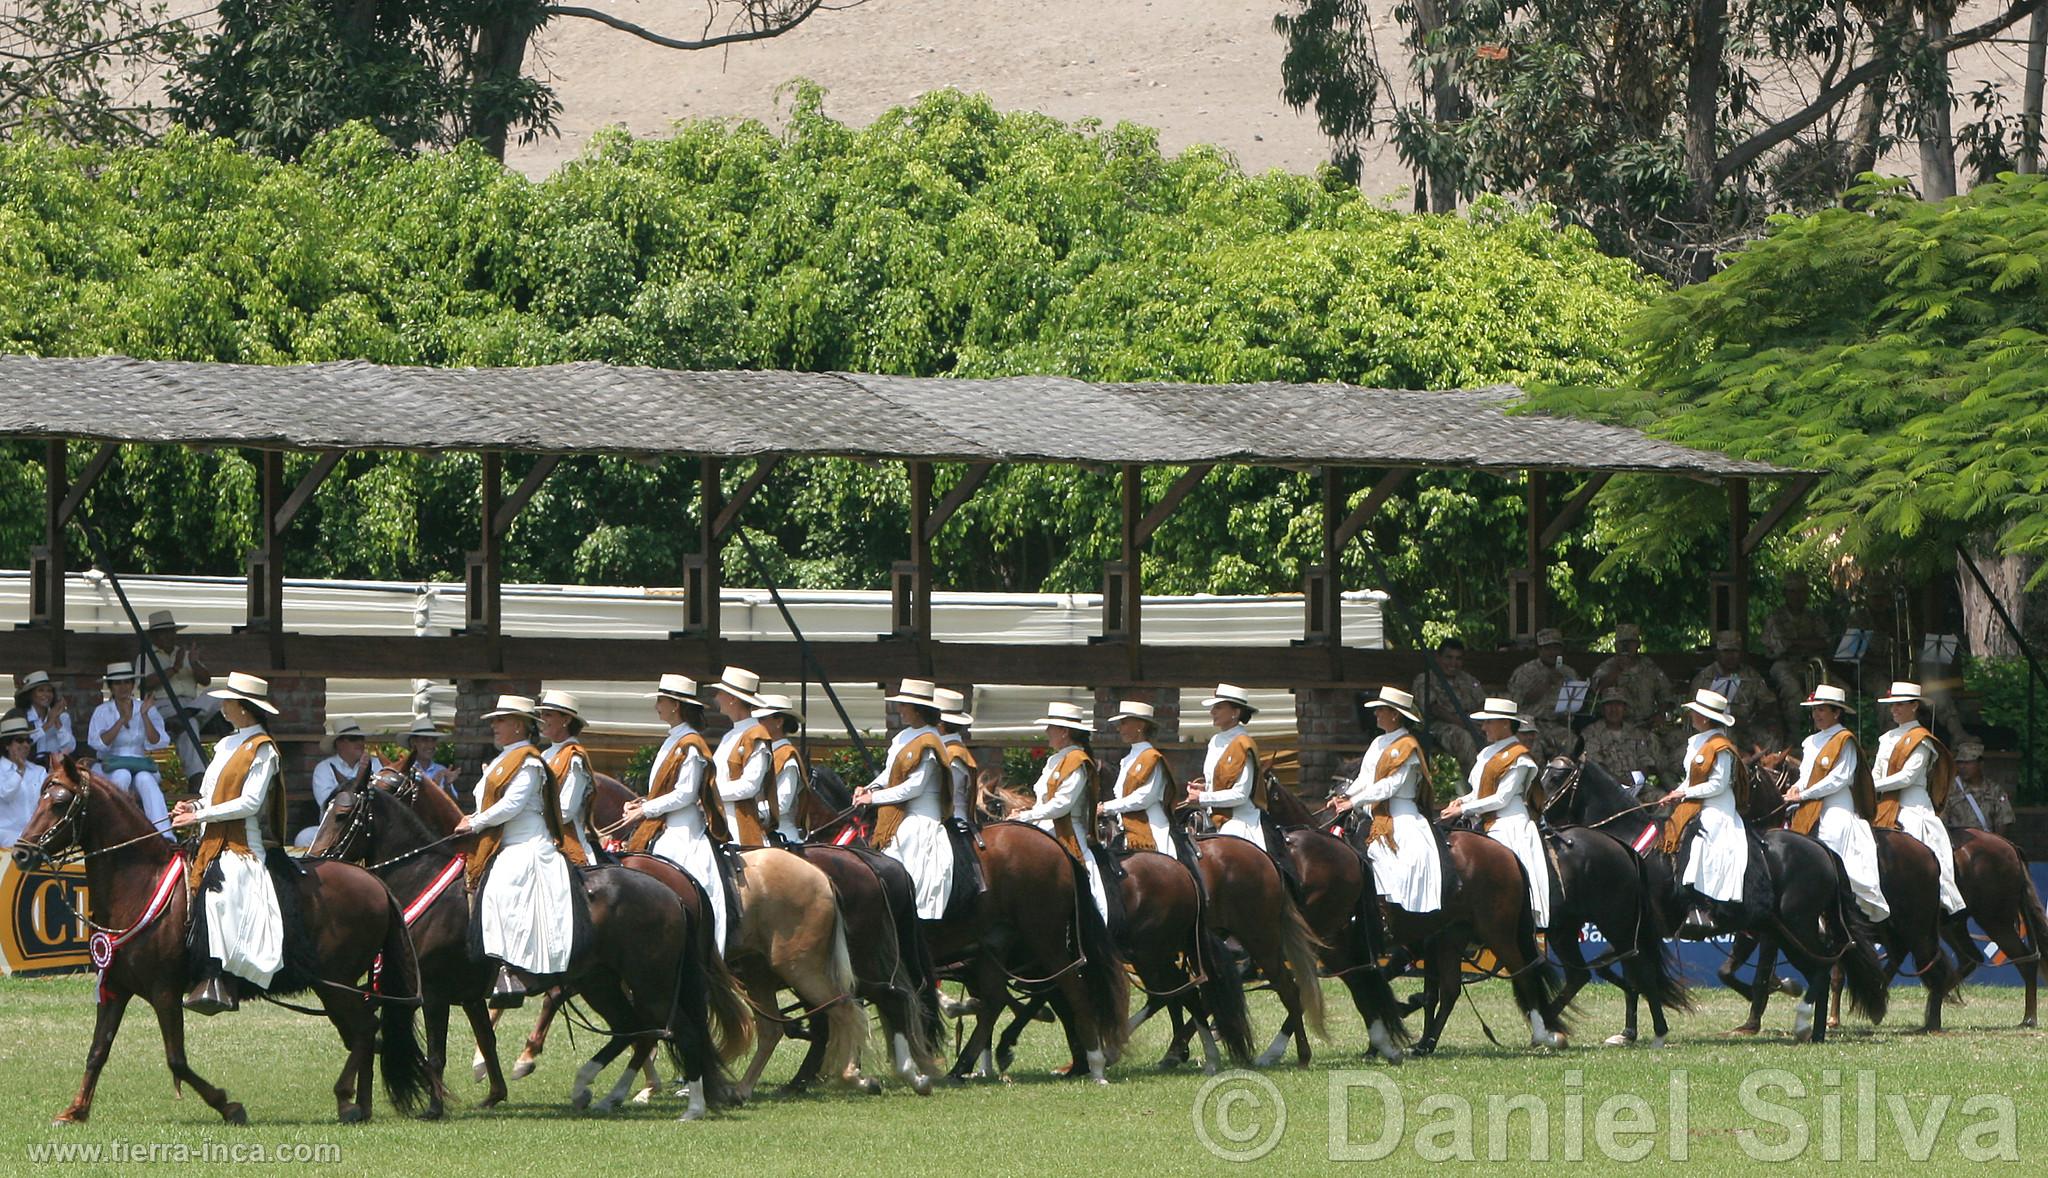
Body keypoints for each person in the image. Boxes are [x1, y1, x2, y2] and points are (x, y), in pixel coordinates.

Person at [169, 672, 284, 1015]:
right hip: (210, 838)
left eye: (228, 701)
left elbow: (250, 803)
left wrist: (200, 817)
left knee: (220, 895)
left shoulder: (263, 750)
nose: (222, 706)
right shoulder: (225, 745)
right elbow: (209, 797)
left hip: (241, 845)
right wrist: (193, 807)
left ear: (244, 708)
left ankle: (216, 977)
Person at [452, 695, 576, 1008]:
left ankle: (513, 969)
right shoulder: (503, 759)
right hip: (501, 840)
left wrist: (475, 823)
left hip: (527, 842)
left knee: (501, 886)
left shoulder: (530, 761)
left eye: (500, 720)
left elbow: (512, 805)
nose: (494, 726)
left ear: (519, 725)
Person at [621, 675, 728, 949]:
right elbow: (667, 790)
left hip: (683, 828)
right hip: (665, 821)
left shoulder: (691, 743)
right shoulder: (674, 740)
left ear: (675, 706)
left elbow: (686, 794)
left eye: (661, 700)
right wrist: (642, 802)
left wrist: (645, 809)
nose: (657, 705)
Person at [1441, 696, 1549, 926]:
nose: (1484, 728)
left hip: (1510, 823)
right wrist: (1460, 802)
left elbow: (1501, 798)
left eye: (1489, 722)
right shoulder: (1486, 753)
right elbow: (1478, 792)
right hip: (1484, 818)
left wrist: (1464, 810)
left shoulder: (1519, 757)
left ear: (1505, 724)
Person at [1784, 684, 1888, 922]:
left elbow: (1840, 778)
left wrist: (1805, 794)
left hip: (1837, 807)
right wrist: (1797, 787)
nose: (1817, 715)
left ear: (1836, 712)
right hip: (1809, 807)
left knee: (1833, 837)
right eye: (1814, 710)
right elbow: (1806, 774)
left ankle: (1844, 905)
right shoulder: (1811, 741)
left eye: (1822, 710)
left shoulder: (1845, 740)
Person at [1333, 686, 1441, 914]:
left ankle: (1393, 910)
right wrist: (1345, 796)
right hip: (1374, 810)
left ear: (1395, 714)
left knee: (1399, 858)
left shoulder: (1408, 746)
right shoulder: (1378, 743)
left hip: (1401, 813)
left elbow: (1390, 785)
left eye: (1381, 709)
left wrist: (1354, 802)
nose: (1375, 714)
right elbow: (1365, 778)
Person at [854, 680, 954, 920]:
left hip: (920, 816)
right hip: (897, 811)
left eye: (904, 706)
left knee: (906, 845)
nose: (900, 710)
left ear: (917, 709)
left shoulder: (930, 740)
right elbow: (889, 773)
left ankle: (913, 913)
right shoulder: (903, 737)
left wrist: (874, 798)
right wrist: (867, 788)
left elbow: (914, 787)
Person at [1658, 689, 1751, 937]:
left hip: (1717, 806)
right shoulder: (1696, 742)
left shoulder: (1722, 746)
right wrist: (1675, 792)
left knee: (1703, 835)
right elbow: (1689, 780)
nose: (1691, 715)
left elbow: (1718, 785)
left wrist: (1684, 794)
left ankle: (1702, 904)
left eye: (1695, 712)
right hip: (1695, 802)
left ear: (1705, 718)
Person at [1871, 682, 1965, 915]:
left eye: (1900, 705)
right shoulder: (1886, 738)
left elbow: (1908, 777)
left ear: (1914, 706)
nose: (1894, 710)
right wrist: (1868, 786)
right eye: (1892, 705)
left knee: (1919, 837)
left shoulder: (1922, 739)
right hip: (1884, 804)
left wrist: (1871, 786)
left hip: (1913, 803)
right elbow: (1876, 771)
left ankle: (1942, 894)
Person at [1015, 701, 1109, 921]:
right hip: (1045, 825)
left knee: (1089, 885)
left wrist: (1026, 816)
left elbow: (1062, 805)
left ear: (1064, 732)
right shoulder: (1056, 759)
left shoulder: (1077, 760)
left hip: (1068, 830)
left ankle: (1098, 924)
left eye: (1051, 727)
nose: (1047, 732)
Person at [88, 661, 170, 837]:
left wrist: (145, 716)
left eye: (127, 682)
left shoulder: (144, 707)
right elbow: (98, 743)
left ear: (133, 684)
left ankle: (164, 834)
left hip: (139, 765)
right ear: (111, 687)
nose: (123, 687)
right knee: (122, 775)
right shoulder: (102, 711)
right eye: (118, 683)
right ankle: (112, 830)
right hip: (110, 766)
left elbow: (157, 741)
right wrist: (121, 720)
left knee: (146, 779)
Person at [138, 609, 214, 779]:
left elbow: (205, 681)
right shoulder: (147, 657)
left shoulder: (187, 654)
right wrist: (174, 668)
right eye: (164, 634)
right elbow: (144, 685)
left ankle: (184, 717)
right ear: (155, 636)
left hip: (192, 705)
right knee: (190, 724)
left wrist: (194, 663)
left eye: (171, 632)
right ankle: (197, 776)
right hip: (165, 707)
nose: (169, 637)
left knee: (216, 693)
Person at [1098, 700, 1178, 862]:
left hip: (1152, 830)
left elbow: (1144, 798)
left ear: (1140, 725)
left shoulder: (1152, 757)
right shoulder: (1127, 759)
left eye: (1124, 723)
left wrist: (1106, 807)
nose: (1119, 728)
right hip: (1126, 828)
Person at [1761, 574, 1831, 737]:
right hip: (1783, 664)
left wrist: (1798, 642)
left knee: (1839, 690)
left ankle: (1832, 734)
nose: (1797, 596)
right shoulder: (1776, 618)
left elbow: (1826, 642)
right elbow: (1783, 647)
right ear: (1785, 594)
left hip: (1811, 664)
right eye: (1793, 592)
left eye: (1801, 592)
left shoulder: (1813, 617)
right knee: (1794, 694)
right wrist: (1809, 642)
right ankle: (1795, 738)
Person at [709, 666, 771, 846]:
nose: (716, 698)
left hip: (740, 825)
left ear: (733, 699)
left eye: (720, 693)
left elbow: (750, 785)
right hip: (720, 819)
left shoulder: (756, 734)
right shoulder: (729, 735)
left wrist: (709, 793)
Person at [295, 718, 380, 846]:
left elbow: (382, 798)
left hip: (369, 827)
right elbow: (329, 804)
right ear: (339, 743)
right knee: (303, 838)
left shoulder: (376, 764)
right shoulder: (324, 768)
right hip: (334, 829)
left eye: (361, 738)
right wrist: (359, 779)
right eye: (353, 739)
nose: (360, 743)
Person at [1688, 631, 1779, 752]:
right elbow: (1692, 710)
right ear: (1717, 653)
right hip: (1713, 727)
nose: (1731, 656)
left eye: (1734, 651)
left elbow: (1769, 702)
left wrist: (1757, 718)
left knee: (1772, 738)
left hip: (1746, 727)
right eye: (1726, 651)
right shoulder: (1704, 677)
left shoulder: (1751, 675)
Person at [538, 690, 597, 866]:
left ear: (566, 720)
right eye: (541, 714)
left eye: (548, 715)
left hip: (565, 836)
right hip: (540, 830)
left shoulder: (575, 757)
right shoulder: (545, 754)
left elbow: (566, 811)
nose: (542, 719)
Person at [1507, 628, 1581, 760]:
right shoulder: (1525, 672)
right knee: (1533, 751)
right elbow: (1516, 702)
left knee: (1575, 746)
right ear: (1539, 650)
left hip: (1557, 725)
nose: (1552, 653)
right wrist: (1546, 683)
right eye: (1547, 648)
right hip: (1531, 726)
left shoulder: (1569, 673)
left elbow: (1576, 704)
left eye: (1556, 648)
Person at [1412, 638, 1484, 772]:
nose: (1453, 663)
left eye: (1458, 659)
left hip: (1471, 723)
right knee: (1464, 739)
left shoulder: (1468, 680)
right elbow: (1434, 709)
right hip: (1439, 727)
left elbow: (1481, 703)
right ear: (1438, 658)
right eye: (1449, 657)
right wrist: (1462, 723)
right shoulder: (1426, 679)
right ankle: (1476, 784)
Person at [1588, 623, 1674, 723]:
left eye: (1630, 643)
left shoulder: (1649, 666)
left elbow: (1666, 692)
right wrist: (1618, 669)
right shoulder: (1606, 667)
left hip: (1646, 723)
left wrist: (1660, 714)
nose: (1626, 647)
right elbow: (1596, 690)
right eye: (1622, 643)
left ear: (1638, 645)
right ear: (1616, 646)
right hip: (1614, 725)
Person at [753, 694, 808, 847]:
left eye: (763, 719)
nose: (758, 724)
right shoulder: (767, 752)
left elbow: (782, 805)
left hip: (781, 838)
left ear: (778, 722)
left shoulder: (787, 756)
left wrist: (746, 808)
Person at [1577, 688, 1660, 783]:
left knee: (1662, 797)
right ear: (1602, 708)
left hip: (1637, 787)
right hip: (1607, 788)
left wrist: (1637, 783)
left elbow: (1645, 761)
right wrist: (1622, 783)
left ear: (1625, 708)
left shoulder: (1636, 732)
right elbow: (1596, 768)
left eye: (1618, 705)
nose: (1614, 709)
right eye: (1609, 705)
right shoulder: (1591, 733)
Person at [1943, 740, 2011, 834]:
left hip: (1986, 844)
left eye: (1968, 763)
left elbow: (2004, 821)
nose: (1962, 767)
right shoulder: (1950, 789)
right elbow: (1941, 822)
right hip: (1958, 845)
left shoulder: (1995, 791)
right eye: (1960, 763)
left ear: (1980, 763)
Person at [0, 713, 48, 847]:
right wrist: (20, 771)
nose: (26, 745)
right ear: (7, 745)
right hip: (5, 837)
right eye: (20, 741)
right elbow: (6, 794)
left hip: (36, 838)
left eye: (28, 740)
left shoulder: (39, 771)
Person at [934, 688, 978, 826]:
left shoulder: (953, 753)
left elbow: (947, 793)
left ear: (940, 725)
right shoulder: (948, 749)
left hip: (952, 821)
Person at [13, 671, 74, 766]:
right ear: (30, 694)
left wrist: (57, 721)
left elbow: (70, 747)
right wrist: (47, 725)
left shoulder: (63, 717)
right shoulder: (21, 716)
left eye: (49, 691)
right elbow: (20, 743)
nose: (46, 694)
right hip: (27, 769)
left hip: (55, 769)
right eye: (41, 690)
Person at [401, 716, 462, 799]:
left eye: (433, 740)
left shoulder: (441, 770)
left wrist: (447, 785)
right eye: (425, 740)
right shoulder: (404, 771)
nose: (430, 745)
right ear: (413, 742)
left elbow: (453, 804)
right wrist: (434, 785)